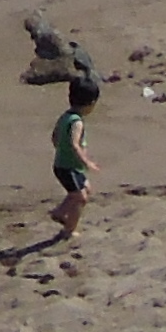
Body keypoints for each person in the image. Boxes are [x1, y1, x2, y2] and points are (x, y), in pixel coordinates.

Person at [50, 76, 101, 235]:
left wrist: (60, 148)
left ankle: (60, 212)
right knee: (80, 197)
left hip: (66, 165)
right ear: (90, 104)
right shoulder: (76, 122)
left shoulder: (65, 116)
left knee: (85, 188)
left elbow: (55, 136)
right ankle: (69, 230)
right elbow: (74, 144)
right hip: (67, 167)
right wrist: (87, 162)